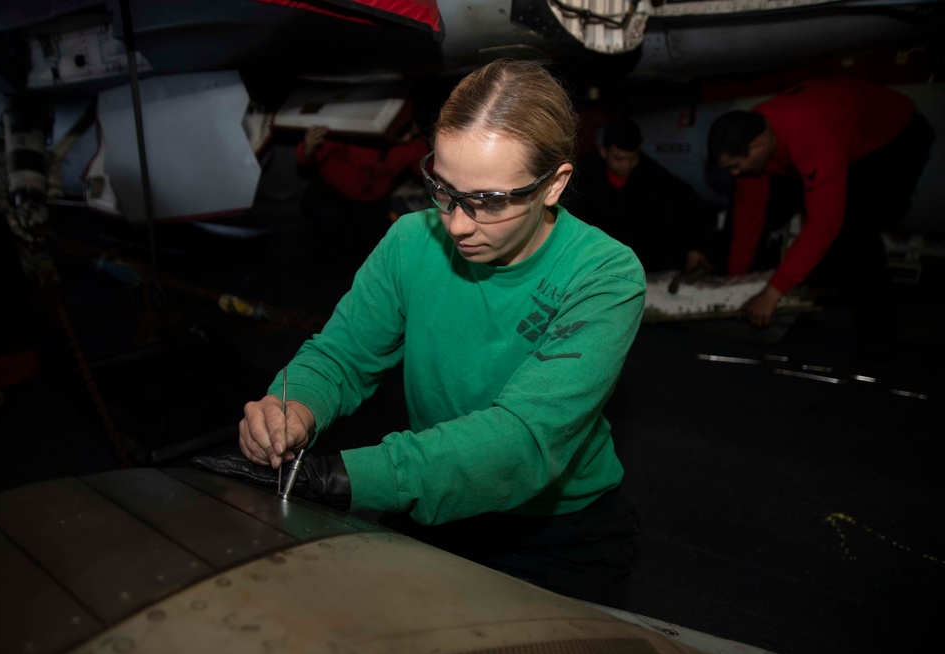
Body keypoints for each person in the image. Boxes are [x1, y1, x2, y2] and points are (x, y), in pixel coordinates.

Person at [194, 59, 646, 607]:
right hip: (436, 502)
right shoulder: (412, 240)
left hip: (561, 532)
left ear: (554, 184)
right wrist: (291, 406)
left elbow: (524, 440)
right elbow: (342, 356)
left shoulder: (605, 274)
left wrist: (344, 477)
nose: (456, 222)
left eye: (490, 201)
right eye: (443, 187)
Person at [707, 78, 935, 358]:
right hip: (832, 133)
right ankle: (774, 284)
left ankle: (879, 334)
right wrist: (735, 285)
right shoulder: (751, 134)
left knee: (851, 227)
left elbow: (825, 223)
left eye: (736, 166)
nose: (734, 174)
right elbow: (748, 218)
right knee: (763, 207)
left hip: (893, 137)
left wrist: (772, 293)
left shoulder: (812, 134)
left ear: (757, 146)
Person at [564, 118, 719, 277]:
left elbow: (687, 202)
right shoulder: (582, 175)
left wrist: (694, 248)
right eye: (619, 158)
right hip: (592, 263)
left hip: (641, 267)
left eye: (632, 157)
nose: (627, 164)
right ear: (604, 152)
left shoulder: (650, 173)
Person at [295, 100, 428, 275]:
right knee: (328, 229)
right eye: (402, 131)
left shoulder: (413, 145)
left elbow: (431, 168)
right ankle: (323, 268)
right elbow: (306, 158)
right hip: (334, 191)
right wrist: (308, 148)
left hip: (373, 200)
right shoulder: (353, 132)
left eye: (413, 132)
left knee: (376, 246)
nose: (407, 138)